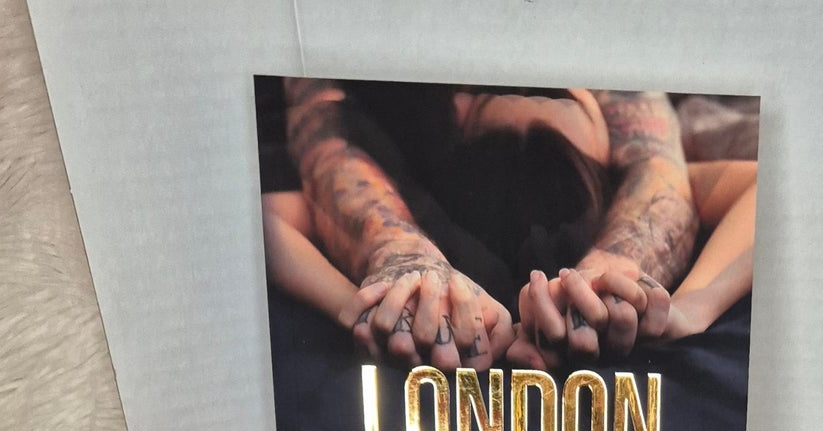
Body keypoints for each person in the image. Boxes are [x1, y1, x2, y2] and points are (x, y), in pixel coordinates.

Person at [259, 81, 755, 369]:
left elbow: (268, 219)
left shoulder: (403, 167)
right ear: (606, 158)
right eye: (566, 96)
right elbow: (762, 189)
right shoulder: (644, 185)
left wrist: (359, 302)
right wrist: (692, 306)